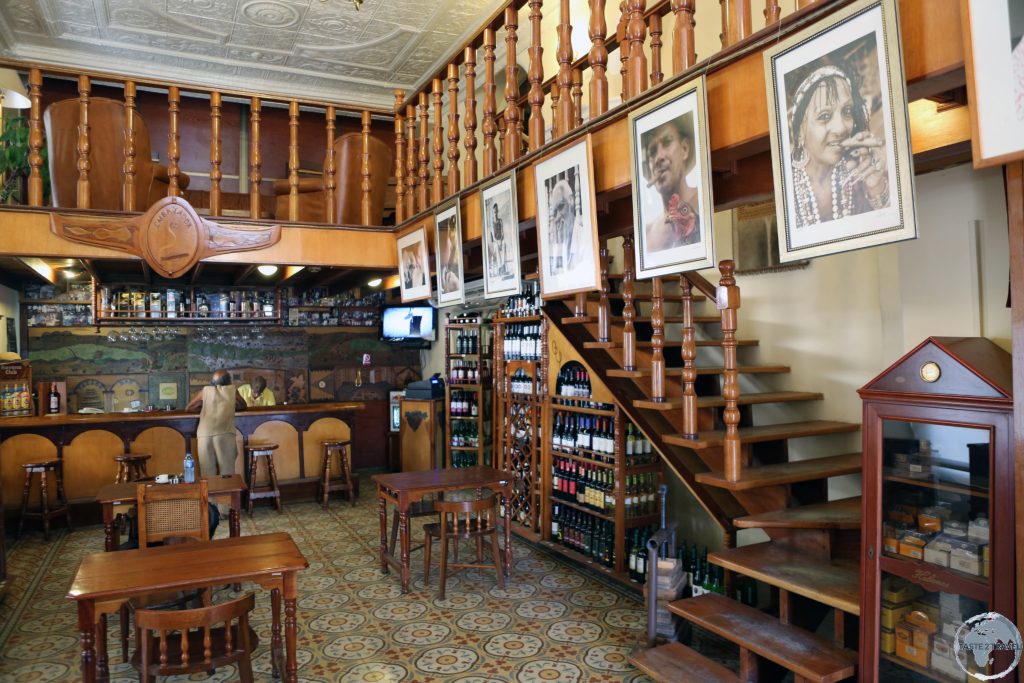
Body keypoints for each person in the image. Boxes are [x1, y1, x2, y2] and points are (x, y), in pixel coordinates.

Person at [788, 64, 888, 228]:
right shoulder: (785, 186)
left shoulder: (861, 169)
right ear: (799, 130)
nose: (841, 128)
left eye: (847, 111)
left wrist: (875, 185)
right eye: (825, 116)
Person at [641, 116, 701, 252]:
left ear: (685, 149)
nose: (659, 157)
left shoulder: (705, 201)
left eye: (667, 142)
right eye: (652, 151)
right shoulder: (647, 233)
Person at [186, 370, 247, 485]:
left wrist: (204, 407)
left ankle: (209, 501)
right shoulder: (232, 390)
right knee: (227, 473)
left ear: (212, 382)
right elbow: (243, 405)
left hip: (204, 435)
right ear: (229, 381)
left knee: (207, 473)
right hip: (225, 433)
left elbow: (189, 407)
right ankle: (225, 502)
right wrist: (230, 407)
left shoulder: (205, 391)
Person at [488, 201, 508, 277]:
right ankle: (500, 267)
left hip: (501, 240)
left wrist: (501, 240)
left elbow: (502, 232)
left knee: (504, 244)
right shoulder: (492, 223)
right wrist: (498, 242)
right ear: (493, 212)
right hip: (495, 242)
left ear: (497, 211)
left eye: (496, 211)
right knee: (496, 246)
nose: (495, 213)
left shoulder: (500, 221)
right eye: (494, 212)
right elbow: (493, 235)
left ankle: (502, 265)